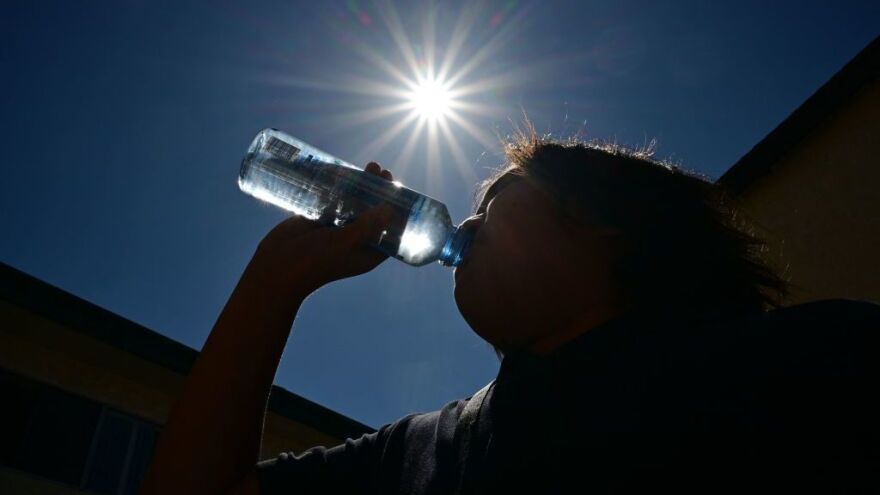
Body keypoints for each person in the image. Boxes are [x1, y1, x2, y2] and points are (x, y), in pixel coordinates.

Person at [141, 128, 880, 495]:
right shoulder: (421, 450)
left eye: (493, 200)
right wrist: (275, 280)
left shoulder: (808, 363)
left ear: (606, 225)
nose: (467, 219)